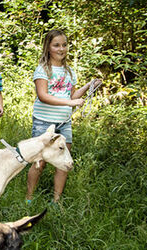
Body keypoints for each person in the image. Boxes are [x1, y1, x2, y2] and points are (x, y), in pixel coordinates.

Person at [25, 29, 102, 204]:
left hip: (64, 122)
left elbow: (72, 97)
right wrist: (69, 103)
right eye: (56, 45)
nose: (61, 49)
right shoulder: (43, 69)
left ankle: (56, 201)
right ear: (48, 48)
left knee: (63, 162)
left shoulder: (69, 72)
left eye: (64, 45)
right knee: (40, 161)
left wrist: (89, 86)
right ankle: (28, 199)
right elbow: (43, 95)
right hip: (44, 122)